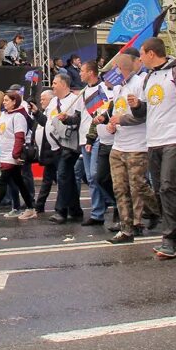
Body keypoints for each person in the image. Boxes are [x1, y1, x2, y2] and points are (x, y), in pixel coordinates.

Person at [129, 37, 176, 260]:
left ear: (151, 54)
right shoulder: (149, 78)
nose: (140, 58)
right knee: (160, 191)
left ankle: (169, 239)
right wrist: (137, 107)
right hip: (154, 141)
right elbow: (146, 111)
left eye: (142, 54)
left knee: (168, 188)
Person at [106, 52, 160, 243]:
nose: (113, 72)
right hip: (118, 146)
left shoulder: (140, 83)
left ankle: (155, 209)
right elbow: (116, 112)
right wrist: (112, 125)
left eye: (115, 68)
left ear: (123, 68)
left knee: (138, 185)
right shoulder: (117, 89)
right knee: (120, 188)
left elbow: (144, 114)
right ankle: (127, 229)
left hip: (138, 146)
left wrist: (122, 120)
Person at [70, 61, 114, 226]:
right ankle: (98, 212)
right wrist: (66, 119)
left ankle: (107, 206)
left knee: (96, 175)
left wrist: (91, 137)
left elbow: (104, 113)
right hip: (84, 138)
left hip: (97, 138)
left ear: (90, 72)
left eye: (82, 71)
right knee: (90, 177)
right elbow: (78, 116)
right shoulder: (83, 92)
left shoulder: (103, 90)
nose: (79, 74)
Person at [0, 91, 37, 219]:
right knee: (19, 182)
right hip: (5, 154)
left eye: (6, 100)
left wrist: (15, 154)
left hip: (11, 155)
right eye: (4, 100)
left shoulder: (18, 117)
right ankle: (30, 208)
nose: (4, 102)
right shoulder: (4, 115)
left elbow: (20, 136)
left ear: (14, 102)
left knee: (2, 181)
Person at [47, 72, 83, 224]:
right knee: (67, 177)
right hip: (55, 146)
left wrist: (67, 120)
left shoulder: (74, 100)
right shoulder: (53, 102)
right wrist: (36, 113)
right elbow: (47, 121)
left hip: (69, 146)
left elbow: (77, 121)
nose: (52, 86)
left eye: (55, 83)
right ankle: (75, 210)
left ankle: (61, 211)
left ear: (63, 84)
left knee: (62, 175)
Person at [32, 89, 60, 214]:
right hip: (47, 152)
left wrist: (37, 113)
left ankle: (41, 205)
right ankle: (40, 205)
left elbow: (48, 124)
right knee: (48, 179)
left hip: (54, 151)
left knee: (54, 180)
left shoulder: (53, 110)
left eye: (43, 99)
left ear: (51, 99)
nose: (41, 101)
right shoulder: (45, 112)